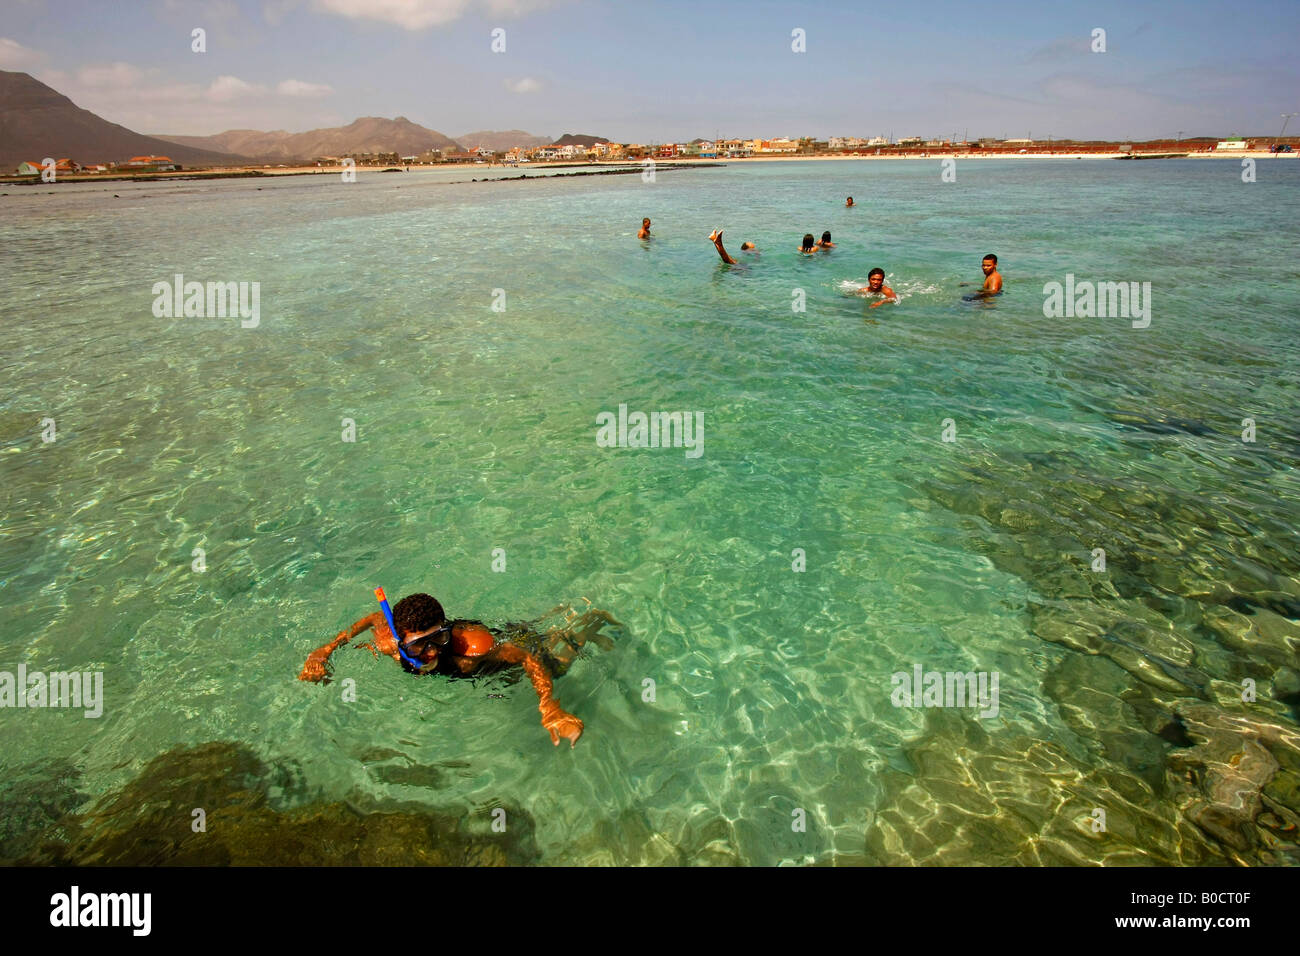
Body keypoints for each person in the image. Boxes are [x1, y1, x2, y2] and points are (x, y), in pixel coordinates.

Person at [298, 592, 618, 748]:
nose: (432, 651)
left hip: (501, 652)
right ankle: (561, 619)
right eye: (418, 646)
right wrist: (324, 651)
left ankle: (591, 621)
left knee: (556, 660)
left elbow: (525, 657)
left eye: (439, 638)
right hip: (487, 659)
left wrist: (549, 705)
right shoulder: (387, 643)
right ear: (399, 641)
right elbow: (370, 618)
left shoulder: (473, 647)